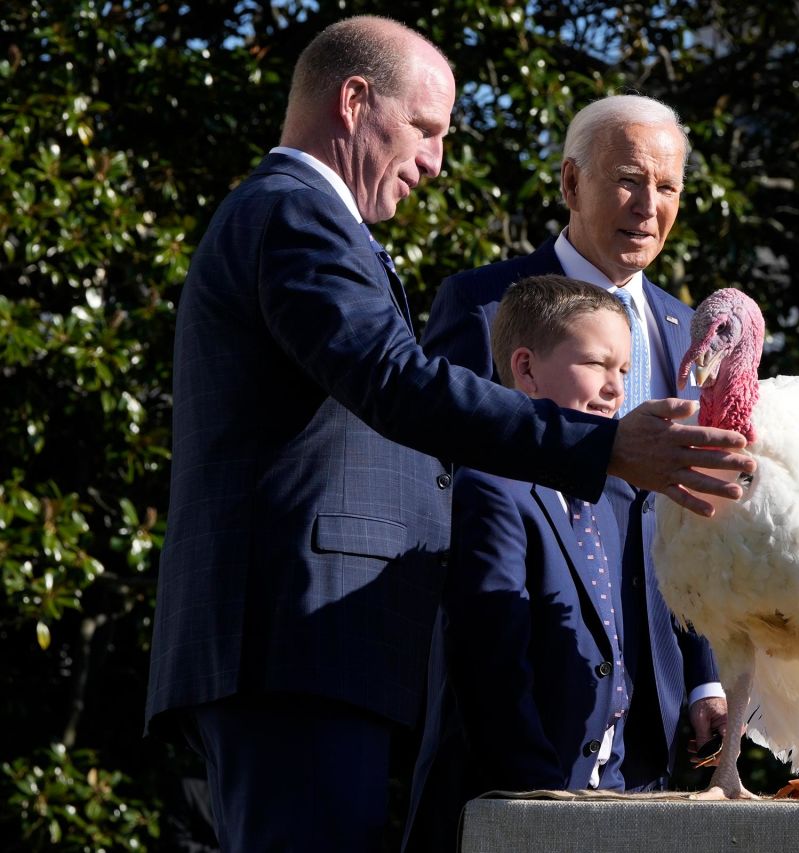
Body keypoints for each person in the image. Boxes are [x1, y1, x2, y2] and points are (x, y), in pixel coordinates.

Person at [142, 17, 753, 853]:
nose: (433, 162)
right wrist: (602, 445)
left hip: (315, 651)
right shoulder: (294, 215)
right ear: (354, 102)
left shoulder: (302, 220)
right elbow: (399, 383)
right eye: (425, 130)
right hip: (295, 644)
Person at [415, 94, 728, 798]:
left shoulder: (688, 329)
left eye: (668, 187)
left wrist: (706, 669)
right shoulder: (483, 304)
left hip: (655, 710)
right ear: (570, 183)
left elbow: (695, 513)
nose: (648, 205)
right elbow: (443, 476)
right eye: (628, 179)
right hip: (523, 687)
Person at [422, 275, 638, 848]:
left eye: (624, 369)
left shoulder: (612, 498)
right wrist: (541, 803)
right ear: (525, 369)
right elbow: (491, 666)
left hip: (602, 803)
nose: (616, 388)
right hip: (520, 809)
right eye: (597, 365)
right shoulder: (492, 487)